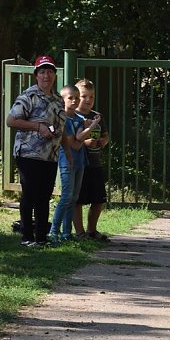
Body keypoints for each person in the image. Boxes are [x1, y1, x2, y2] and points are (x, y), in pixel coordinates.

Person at [5, 55, 65, 247]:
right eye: (42, 72)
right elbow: (11, 120)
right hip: (29, 153)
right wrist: (37, 127)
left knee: (44, 196)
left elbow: (59, 125)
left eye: (49, 72)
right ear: (36, 75)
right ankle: (26, 236)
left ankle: (41, 237)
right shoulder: (28, 96)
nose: (46, 76)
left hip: (50, 154)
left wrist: (53, 130)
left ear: (54, 75)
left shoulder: (58, 100)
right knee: (29, 193)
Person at [50, 85, 100, 242]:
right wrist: (91, 127)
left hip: (80, 162)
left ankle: (66, 233)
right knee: (66, 197)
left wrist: (88, 129)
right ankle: (53, 231)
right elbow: (76, 143)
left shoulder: (79, 119)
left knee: (74, 197)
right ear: (62, 100)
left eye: (77, 98)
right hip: (67, 162)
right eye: (70, 98)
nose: (74, 101)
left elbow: (80, 137)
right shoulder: (62, 119)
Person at [72, 78, 110, 241]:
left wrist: (103, 141)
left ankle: (92, 230)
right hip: (79, 164)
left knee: (98, 199)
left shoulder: (97, 117)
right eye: (84, 96)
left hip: (95, 163)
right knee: (78, 199)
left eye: (91, 97)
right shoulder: (73, 116)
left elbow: (106, 135)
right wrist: (84, 142)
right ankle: (79, 232)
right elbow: (71, 139)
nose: (88, 100)